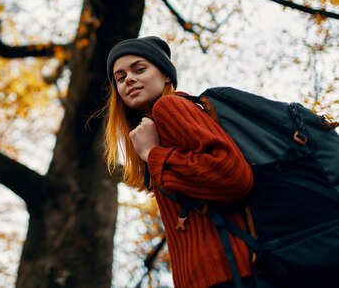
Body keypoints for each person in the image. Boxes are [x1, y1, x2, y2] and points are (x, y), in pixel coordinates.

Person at [103, 36, 275, 288]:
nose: (128, 79)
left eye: (139, 69)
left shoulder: (169, 106)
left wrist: (153, 154)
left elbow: (232, 174)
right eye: (120, 77)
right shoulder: (155, 127)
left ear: (166, 76)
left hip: (231, 274)